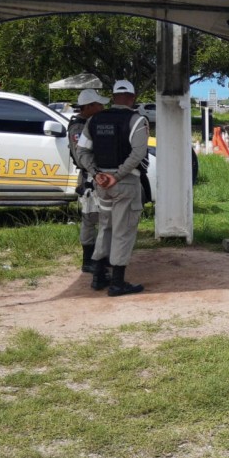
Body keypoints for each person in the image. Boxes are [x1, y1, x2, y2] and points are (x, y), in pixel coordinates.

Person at [76, 79, 149, 297]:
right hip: (124, 183)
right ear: (133, 97)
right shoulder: (137, 120)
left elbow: (82, 152)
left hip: (102, 185)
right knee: (123, 231)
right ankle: (117, 282)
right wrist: (115, 176)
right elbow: (137, 155)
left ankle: (98, 275)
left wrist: (97, 174)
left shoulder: (95, 120)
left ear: (114, 96)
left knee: (105, 227)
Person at [68, 89, 109, 274]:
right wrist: (95, 171)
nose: (102, 107)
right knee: (90, 219)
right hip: (90, 178)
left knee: (100, 218)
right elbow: (80, 156)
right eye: (99, 104)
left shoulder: (91, 123)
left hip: (96, 175)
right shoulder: (78, 127)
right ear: (89, 106)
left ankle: (100, 257)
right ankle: (88, 260)